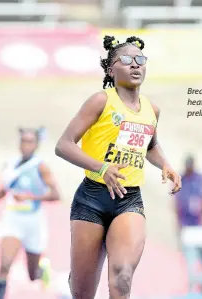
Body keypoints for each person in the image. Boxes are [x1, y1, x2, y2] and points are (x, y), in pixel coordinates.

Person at [55, 35, 182, 299]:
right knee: (82, 292)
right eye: (126, 59)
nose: (135, 65)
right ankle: (76, 279)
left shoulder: (152, 110)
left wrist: (165, 164)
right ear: (111, 70)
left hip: (128, 200)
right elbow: (64, 145)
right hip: (92, 197)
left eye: (140, 60)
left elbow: (150, 146)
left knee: (122, 276)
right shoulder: (100, 101)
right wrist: (102, 168)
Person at [0, 127, 60, 299]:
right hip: (13, 219)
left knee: (32, 276)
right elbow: (4, 190)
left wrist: (29, 196)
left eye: (30, 141)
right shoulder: (10, 164)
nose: (26, 145)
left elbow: (56, 195)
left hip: (33, 222)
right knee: (4, 265)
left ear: (36, 145)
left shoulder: (40, 167)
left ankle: (42, 270)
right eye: (23, 141)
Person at [174, 154, 202, 292]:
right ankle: (192, 284)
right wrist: (179, 225)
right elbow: (177, 204)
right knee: (189, 256)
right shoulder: (181, 179)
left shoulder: (200, 179)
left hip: (199, 224)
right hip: (187, 225)